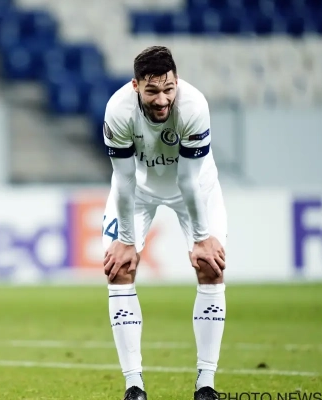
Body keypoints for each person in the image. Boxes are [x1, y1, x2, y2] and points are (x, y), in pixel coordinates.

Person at [101, 46, 227, 400]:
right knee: (118, 270)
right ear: (135, 86)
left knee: (211, 267)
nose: (162, 100)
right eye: (152, 91)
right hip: (138, 191)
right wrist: (127, 241)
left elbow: (188, 180)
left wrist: (201, 238)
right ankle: (134, 386)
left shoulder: (194, 106)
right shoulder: (118, 110)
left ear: (177, 82)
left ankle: (206, 384)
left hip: (196, 188)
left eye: (169, 89)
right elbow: (123, 179)